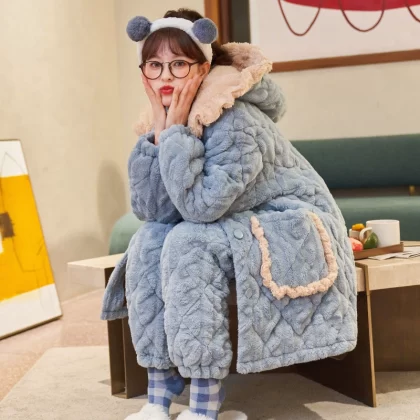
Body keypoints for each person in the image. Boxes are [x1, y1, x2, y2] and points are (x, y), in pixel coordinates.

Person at [102, 8, 357, 420]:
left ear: (203, 68)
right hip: (232, 216)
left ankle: (204, 400)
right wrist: (162, 135)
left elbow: (201, 207)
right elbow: (153, 211)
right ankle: (159, 389)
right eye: (154, 65)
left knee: (190, 240)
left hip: (289, 217)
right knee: (148, 238)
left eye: (178, 64)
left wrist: (175, 133)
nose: (165, 76)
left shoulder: (236, 117)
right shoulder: (165, 119)